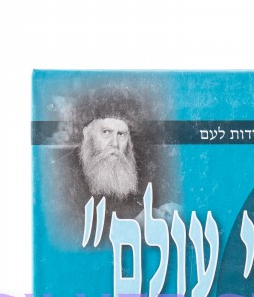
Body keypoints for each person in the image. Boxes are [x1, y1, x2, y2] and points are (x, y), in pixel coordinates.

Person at [46, 102, 179, 246]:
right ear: (87, 133)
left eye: (121, 134)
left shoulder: (130, 168)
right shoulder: (58, 175)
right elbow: (68, 238)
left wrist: (168, 211)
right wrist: (134, 225)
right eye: (106, 132)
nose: (114, 143)